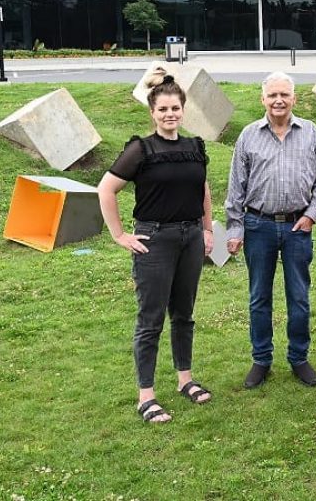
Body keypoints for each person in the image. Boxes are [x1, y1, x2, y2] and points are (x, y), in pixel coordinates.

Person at [97, 69, 214, 423]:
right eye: (163, 109)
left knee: (184, 314)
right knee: (151, 320)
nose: (169, 114)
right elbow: (106, 189)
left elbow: (203, 192)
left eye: (175, 108)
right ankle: (145, 395)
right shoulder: (141, 149)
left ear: (183, 109)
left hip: (191, 238)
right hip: (155, 241)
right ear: (152, 112)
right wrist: (119, 235)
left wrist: (208, 230)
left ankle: (185, 379)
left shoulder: (195, 147)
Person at [225, 71, 316, 389]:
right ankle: (261, 360)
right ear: (263, 99)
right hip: (258, 225)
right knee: (259, 297)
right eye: (272, 95)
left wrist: (312, 215)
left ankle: (299, 358)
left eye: (284, 94)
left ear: (294, 98)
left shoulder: (310, 133)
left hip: (299, 225)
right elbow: (236, 186)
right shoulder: (248, 135)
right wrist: (235, 229)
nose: (279, 100)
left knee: (299, 296)